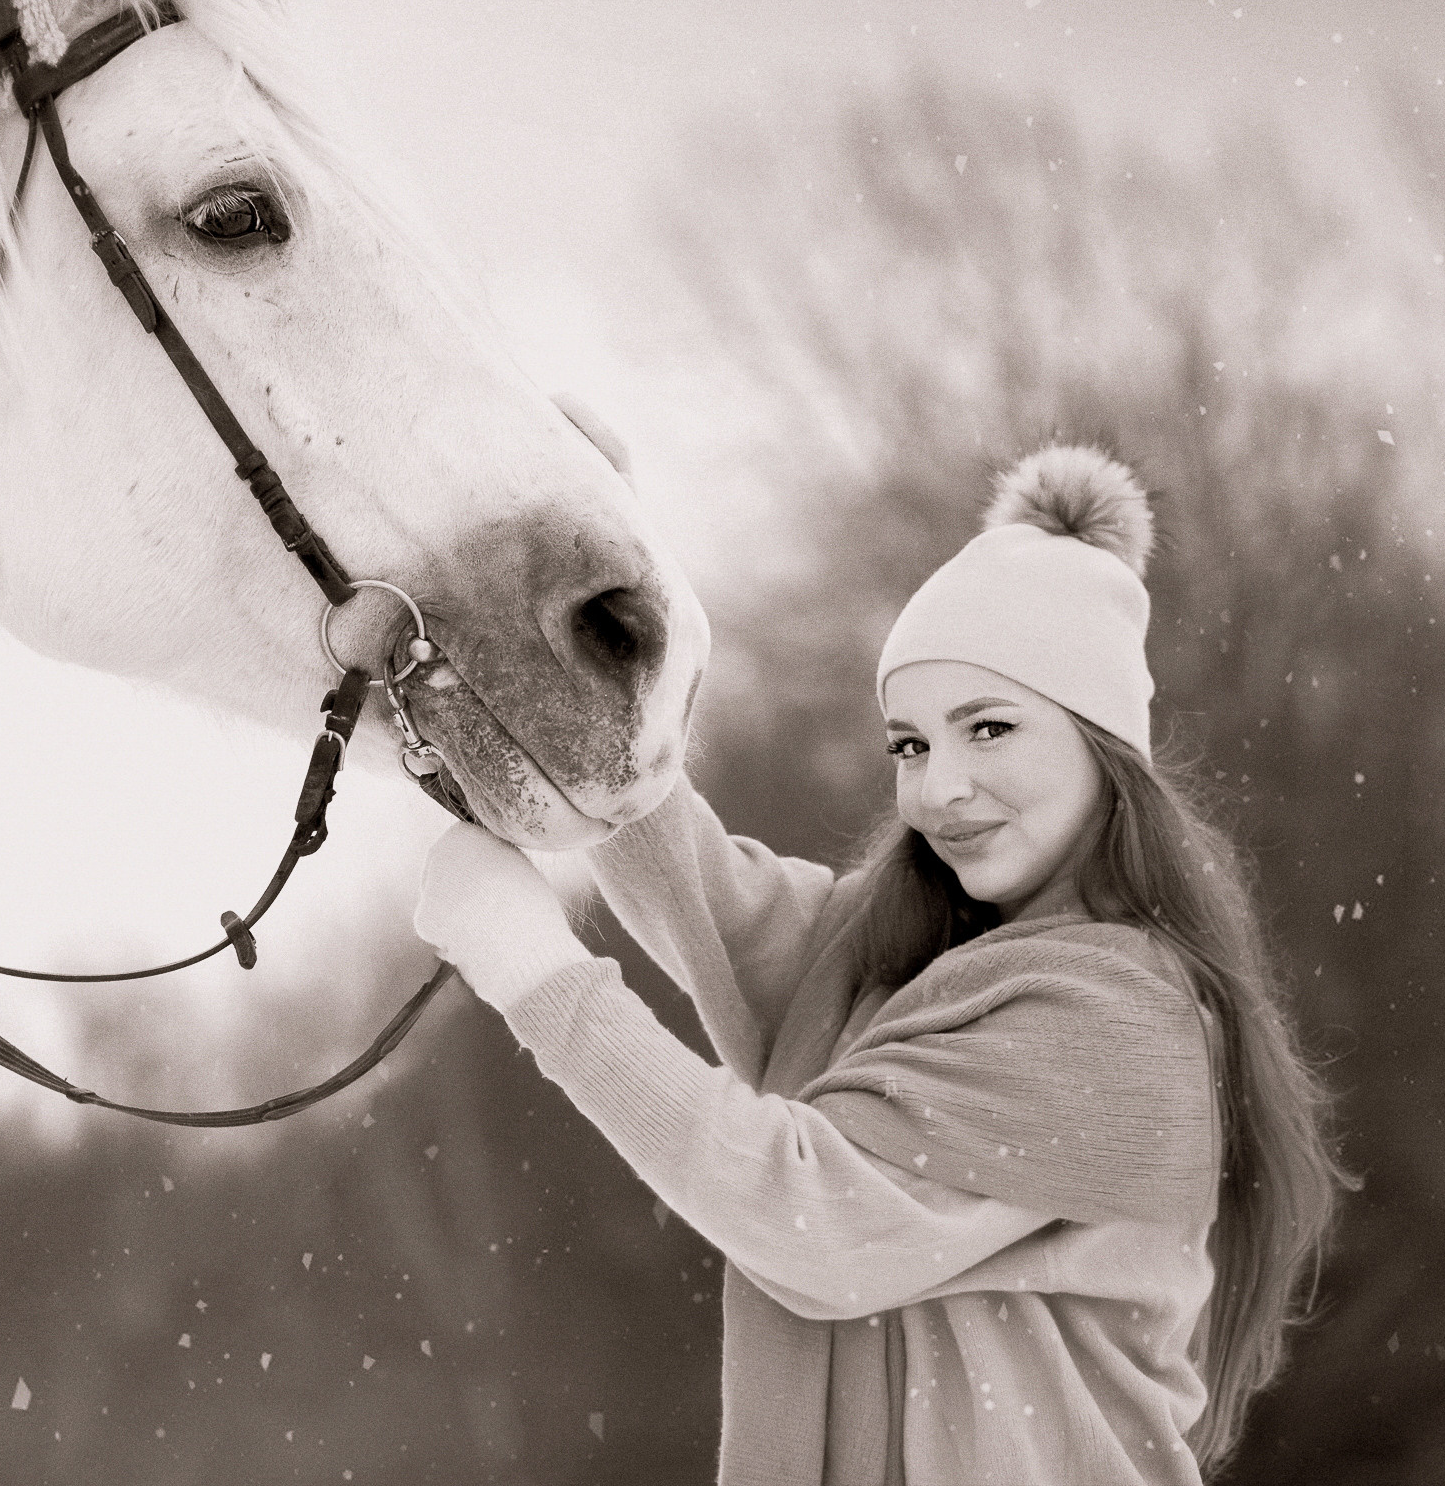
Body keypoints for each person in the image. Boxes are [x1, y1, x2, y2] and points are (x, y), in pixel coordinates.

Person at [413, 445, 1346, 1485]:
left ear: (1103, 745)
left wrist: (536, 974)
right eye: (911, 745)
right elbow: (707, 900)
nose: (940, 789)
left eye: (989, 729)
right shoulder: (907, 958)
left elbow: (806, 1212)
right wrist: (576, 622)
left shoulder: (1121, 1019)